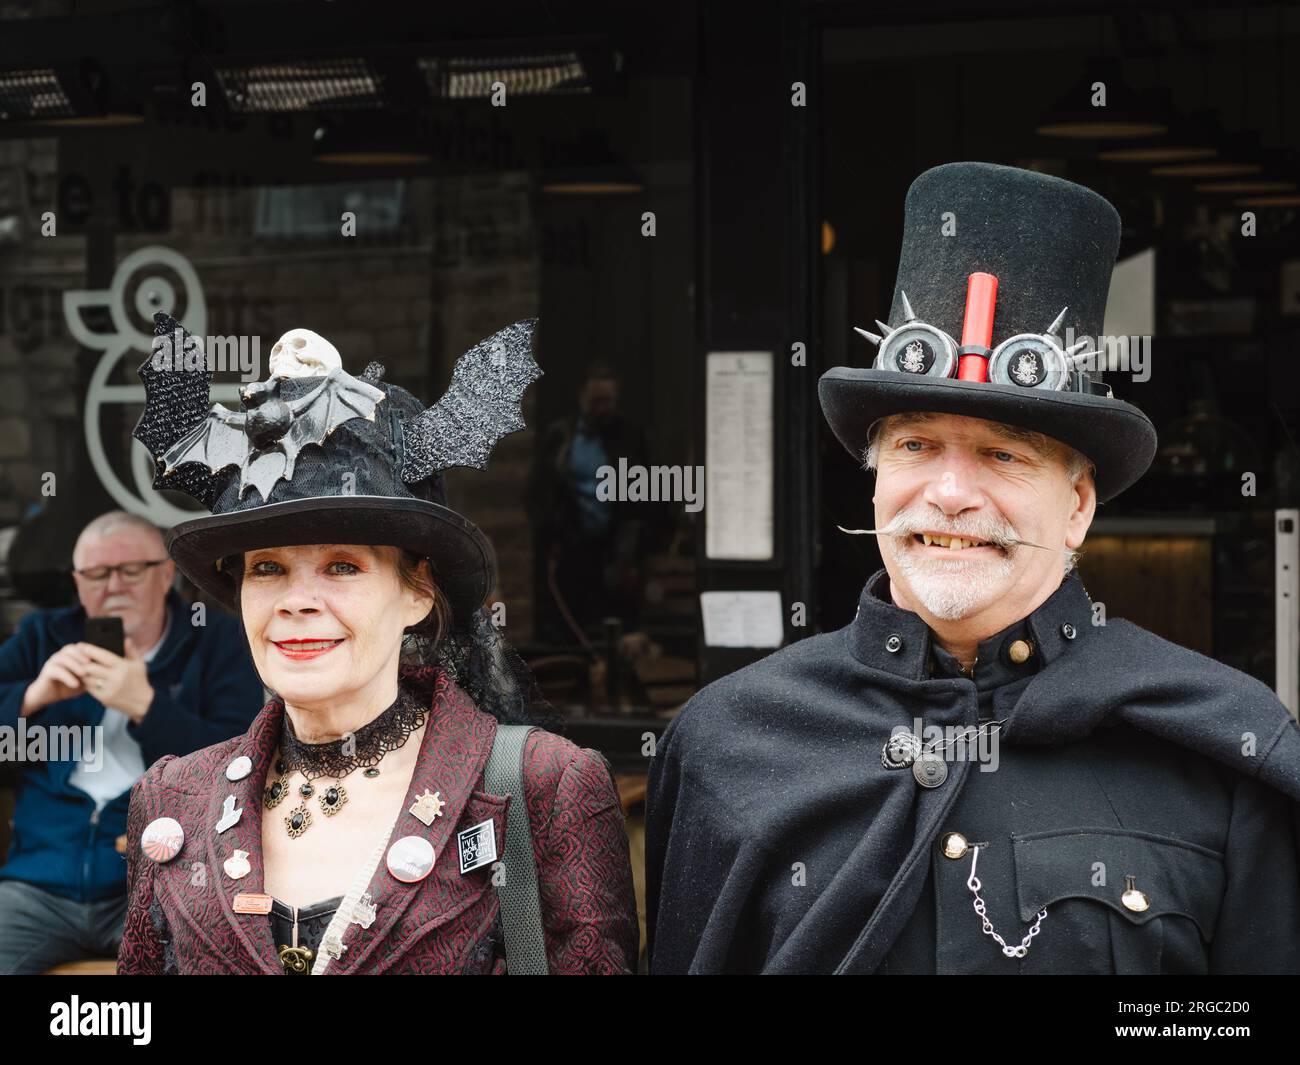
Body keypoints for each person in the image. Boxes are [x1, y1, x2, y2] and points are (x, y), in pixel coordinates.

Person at [644, 161, 1300, 974]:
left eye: (1003, 453)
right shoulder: (725, 744)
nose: (951, 493)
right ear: (877, 474)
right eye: (917, 445)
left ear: (1079, 504)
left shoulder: (1222, 747)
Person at [117, 317, 638, 974]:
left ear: (418, 592)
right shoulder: (171, 801)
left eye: (342, 566)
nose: (296, 600)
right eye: (267, 568)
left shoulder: (540, 789)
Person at [0, 510, 262, 974]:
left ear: (165, 575)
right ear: (78, 583)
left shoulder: (216, 641)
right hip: (40, 883)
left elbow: (240, 763)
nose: (112, 586)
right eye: (96, 575)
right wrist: (31, 698)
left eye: (129, 571)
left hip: (161, 883)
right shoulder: (42, 638)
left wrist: (145, 704)